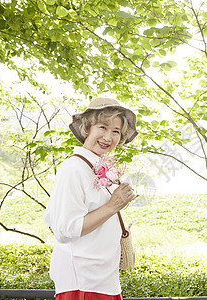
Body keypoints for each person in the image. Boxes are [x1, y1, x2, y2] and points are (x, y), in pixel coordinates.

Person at [43, 97, 138, 300]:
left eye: (116, 131)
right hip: (83, 283)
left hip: (104, 280)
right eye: (102, 127)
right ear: (87, 128)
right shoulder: (73, 169)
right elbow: (65, 229)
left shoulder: (96, 168)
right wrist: (113, 206)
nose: (108, 137)